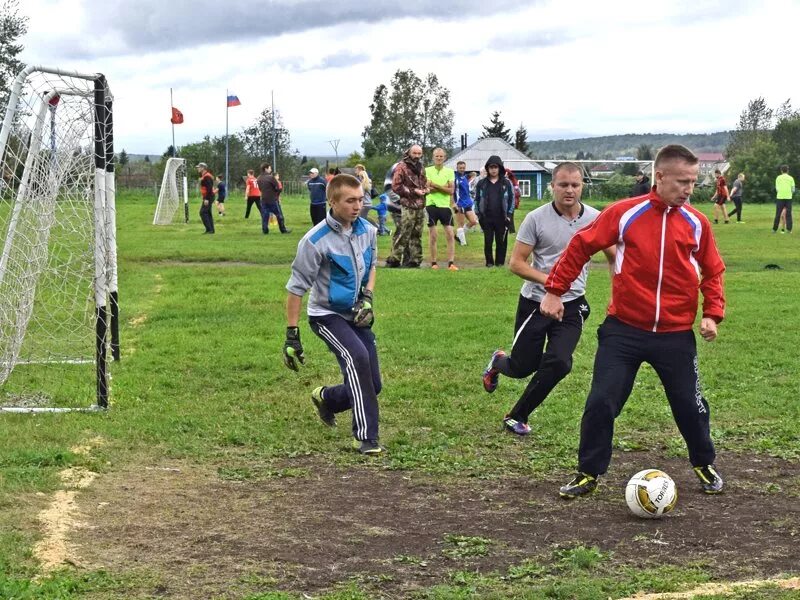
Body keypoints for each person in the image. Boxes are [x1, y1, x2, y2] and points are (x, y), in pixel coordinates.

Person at [539, 144, 726, 499]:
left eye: (693, 181)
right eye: (682, 181)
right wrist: (554, 290)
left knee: (690, 404)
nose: (689, 189)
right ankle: (588, 472)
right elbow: (581, 246)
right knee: (601, 401)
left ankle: (704, 462)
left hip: (674, 335)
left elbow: (713, 271)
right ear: (659, 177)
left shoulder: (697, 222)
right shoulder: (625, 213)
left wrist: (712, 314)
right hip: (623, 331)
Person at [482, 163, 616, 436]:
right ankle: (498, 362)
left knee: (560, 362)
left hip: (573, 304)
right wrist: (553, 284)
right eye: (563, 184)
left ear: (582, 187)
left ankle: (517, 414)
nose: (569, 190)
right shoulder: (536, 218)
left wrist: (620, 293)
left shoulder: (595, 218)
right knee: (522, 367)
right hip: (536, 303)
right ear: (552, 186)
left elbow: (614, 256)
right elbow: (517, 264)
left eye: (575, 185)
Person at [283, 174, 383, 455]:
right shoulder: (314, 241)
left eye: (361, 199)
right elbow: (295, 289)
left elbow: (372, 266)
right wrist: (292, 336)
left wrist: (367, 298)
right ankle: (365, 437)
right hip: (325, 315)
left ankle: (327, 398)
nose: (357, 206)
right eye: (350, 200)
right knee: (357, 357)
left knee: (372, 385)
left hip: (356, 314)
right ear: (332, 202)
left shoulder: (368, 231)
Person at [386, 145, 429, 268]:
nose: (416, 156)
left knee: (417, 234)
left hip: (420, 205)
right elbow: (396, 186)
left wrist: (426, 189)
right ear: (409, 153)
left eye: (419, 153)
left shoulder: (421, 167)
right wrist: (413, 191)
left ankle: (415, 260)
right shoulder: (402, 166)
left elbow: (424, 182)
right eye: (414, 153)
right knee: (404, 233)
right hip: (408, 205)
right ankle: (394, 259)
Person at [474, 155, 515, 267]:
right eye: (491, 167)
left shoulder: (506, 183)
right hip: (486, 217)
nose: (493, 169)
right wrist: (479, 215)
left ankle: (500, 263)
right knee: (488, 241)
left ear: (500, 168)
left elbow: (512, 199)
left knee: (501, 242)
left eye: (495, 167)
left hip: (502, 217)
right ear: (487, 168)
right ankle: (489, 263)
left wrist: (509, 215)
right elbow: (476, 200)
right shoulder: (482, 184)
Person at [424, 148, 458, 270]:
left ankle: (451, 263)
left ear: (445, 158)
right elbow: (427, 189)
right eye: (436, 156)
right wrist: (442, 187)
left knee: (449, 233)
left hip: (445, 206)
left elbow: (451, 191)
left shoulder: (449, 172)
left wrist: (435, 185)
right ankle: (434, 263)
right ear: (433, 157)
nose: (439, 158)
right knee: (433, 235)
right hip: (431, 205)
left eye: (441, 156)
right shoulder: (427, 170)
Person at [257, 162, 290, 234]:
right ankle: (283, 230)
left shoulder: (258, 178)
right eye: (270, 168)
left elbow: (260, 188)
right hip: (272, 199)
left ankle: (265, 230)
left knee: (265, 216)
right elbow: (278, 188)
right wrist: (276, 194)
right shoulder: (270, 177)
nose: (270, 169)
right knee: (279, 215)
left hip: (263, 199)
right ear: (266, 169)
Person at [454, 161, 479, 246]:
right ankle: (463, 243)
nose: (462, 169)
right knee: (460, 224)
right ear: (457, 168)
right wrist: (454, 203)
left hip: (468, 203)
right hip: (459, 204)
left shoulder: (464, 177)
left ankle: (458, 236)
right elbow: (453, 192)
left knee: (473, 221)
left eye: (463, 168)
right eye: (460, 168)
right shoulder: (455, 178)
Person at [773, 165, 794, 233]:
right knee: (788, 214)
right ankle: (789, 229)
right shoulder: (791, 178)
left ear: (781, 170)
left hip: (780, 197)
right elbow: (793, 189)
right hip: (788, 197)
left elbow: (777, 188)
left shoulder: (778, 178)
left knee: (778, 214)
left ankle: (774, 229)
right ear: (788, 170)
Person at [196, 162, 215, 234]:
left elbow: (209, 188)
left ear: (203, 168)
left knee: (203, 212)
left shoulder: (207, 176)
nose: (197, 168)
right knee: (208, 213)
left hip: (208, 197)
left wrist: (206, 198)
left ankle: (209, 229)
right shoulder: (205, 176)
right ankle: (211, 230)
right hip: (208, 196)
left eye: (199, 167)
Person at [505, 167, 521, 233]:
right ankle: (510, 230)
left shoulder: (512, 182)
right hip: (507, 201)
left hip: (511, 201)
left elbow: (518, 192)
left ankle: (511, 230)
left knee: (510, 215)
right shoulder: (511, 181)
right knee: (508, 216)